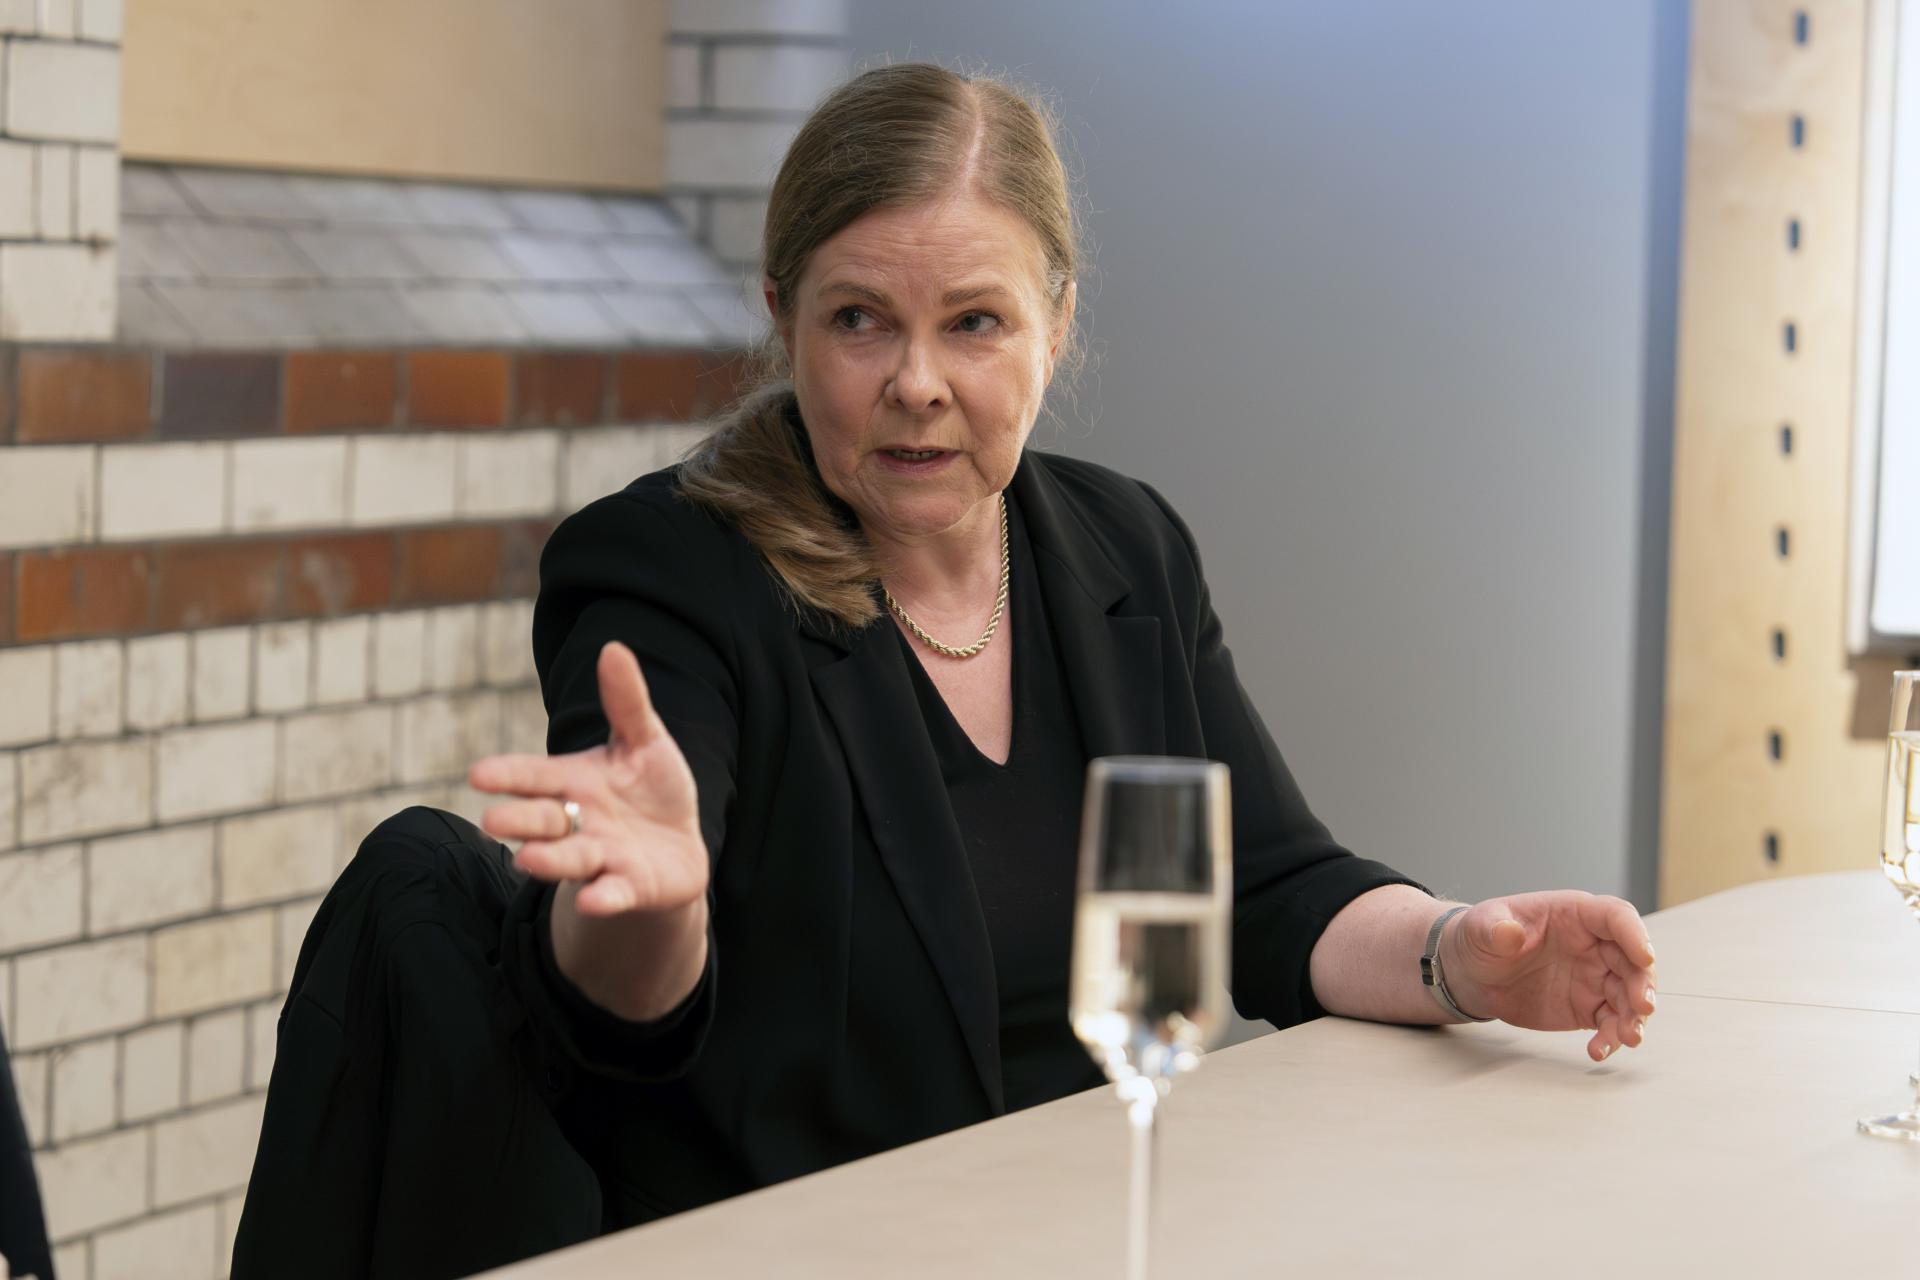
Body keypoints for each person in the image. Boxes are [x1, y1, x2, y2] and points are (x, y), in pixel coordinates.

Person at [234, 61, 1659, 1275]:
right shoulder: (670, 566)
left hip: (1085, 1235)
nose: (917, 381)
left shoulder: (1123, 547)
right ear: (785, 315)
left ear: (1057, 322)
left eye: (972, 322)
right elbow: (620, 1018)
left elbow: (1269, 890)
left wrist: (1458, 953)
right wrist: (649, 910)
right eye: (861, 320)